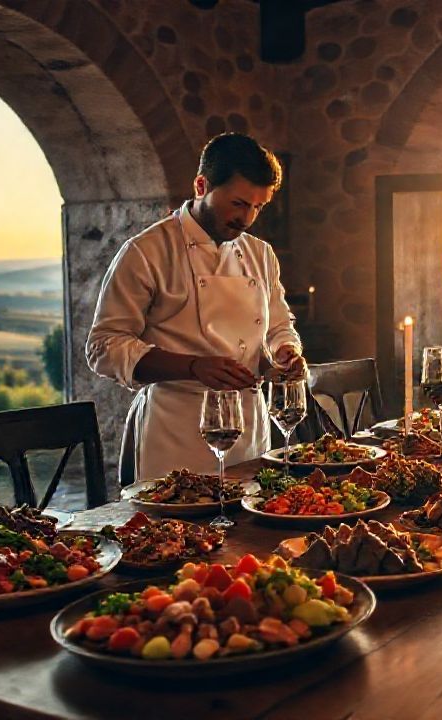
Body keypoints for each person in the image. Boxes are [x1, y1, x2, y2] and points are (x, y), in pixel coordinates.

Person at [87, 133, 306, 481]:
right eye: (238, 203)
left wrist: (284, 354)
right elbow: (104, 347)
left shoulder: (260, 254)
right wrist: (192, 366)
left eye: (257, 207)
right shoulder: (146, 252)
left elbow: (279, 326)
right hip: (178, 432)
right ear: (201, 185)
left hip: (250, 428)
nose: (246, 218)